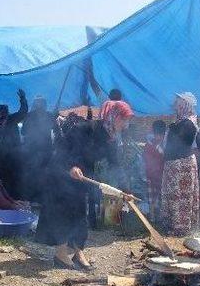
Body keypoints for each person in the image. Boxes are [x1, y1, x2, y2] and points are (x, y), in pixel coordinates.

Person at [35, 100, 133, 270]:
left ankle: (78, 252)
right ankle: (60, 254)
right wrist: (70, 167)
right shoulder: (86, 129)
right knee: (62, 212)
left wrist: (125, 190)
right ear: (113, 116)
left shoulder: (111, 138)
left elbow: (116, 165)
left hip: (82, 177)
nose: (126, 124)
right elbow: (62, 149)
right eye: (123, 119)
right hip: (61, 173)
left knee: (80, 214)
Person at [161, 92, 199, 236]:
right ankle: (171, 223)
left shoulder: (189, 123)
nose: (175, 106)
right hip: (174, 164)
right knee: (172, 194)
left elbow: (181, 140)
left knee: (181, 195)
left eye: (178, 103)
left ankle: (180, 227)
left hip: (182, 165)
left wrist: (172, 128)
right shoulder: (178, 122)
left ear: (185, 105)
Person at [0, 89, 28, 199]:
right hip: (12, 157)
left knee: (3, 181)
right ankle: (12, 201)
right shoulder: (11, 119)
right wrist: (23, 99)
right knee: (13, 181)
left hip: (1, 158)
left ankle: (5, 201)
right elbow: (23, 112)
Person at [21, 95, 56, 201]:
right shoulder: (48, 115)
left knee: (37, 174)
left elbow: (23, 131)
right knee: (38, 174)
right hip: (38, 151)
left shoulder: (32, 116)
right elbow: (24, 131)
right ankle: (38, 197)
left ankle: (36, 197)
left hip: (39, 151)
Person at [143, 120, 166, 221]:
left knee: (155, 197)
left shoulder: (150, 144)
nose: (159, 137)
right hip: (155, 175)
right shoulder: (154, 145)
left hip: (155, 174)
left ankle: (155, 216)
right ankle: (153, 217)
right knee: (154, 197)